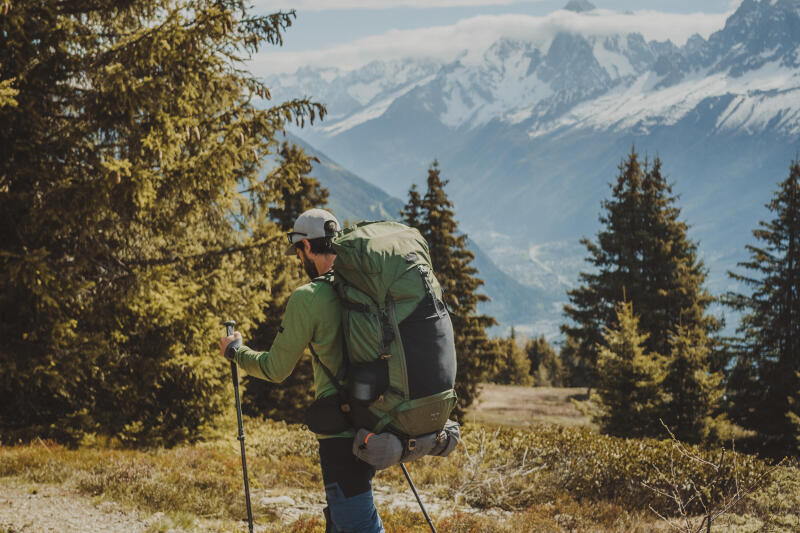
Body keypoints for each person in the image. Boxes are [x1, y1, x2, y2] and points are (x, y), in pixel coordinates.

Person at [219, 208, 384, 533]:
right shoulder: (366, 287)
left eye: (298, 251)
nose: (298, 259)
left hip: (339, 431)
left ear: (307, 247)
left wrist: (237, 352)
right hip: (376, 418)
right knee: (343, 517)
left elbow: (276, 368)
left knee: (358, 522)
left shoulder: (309, 297)